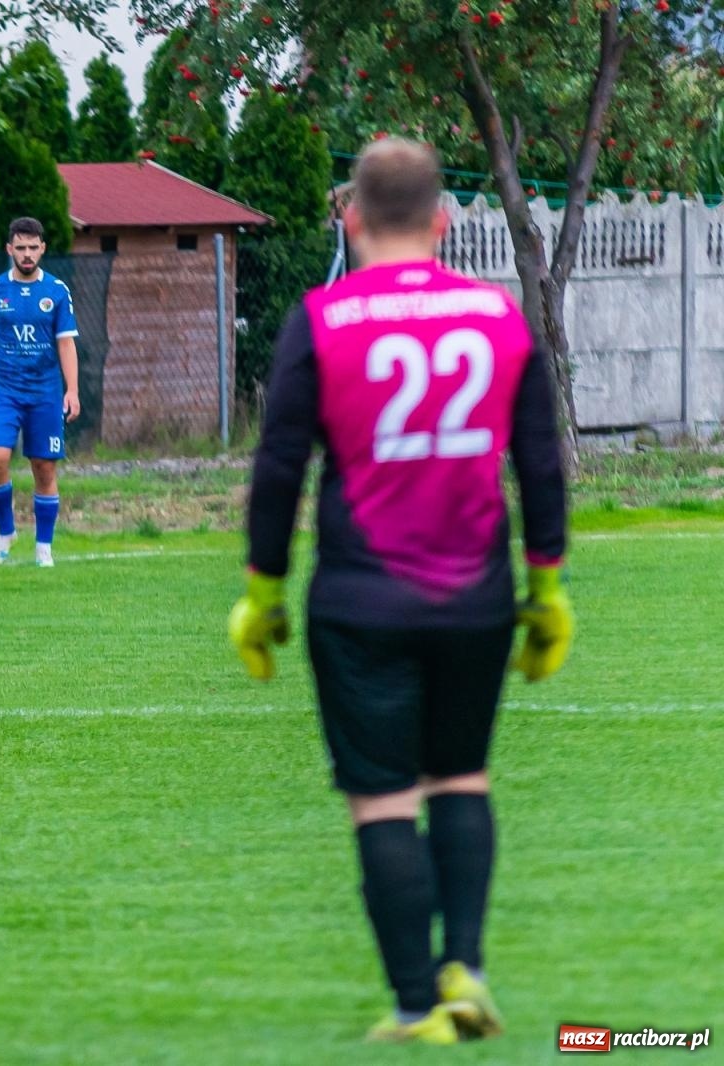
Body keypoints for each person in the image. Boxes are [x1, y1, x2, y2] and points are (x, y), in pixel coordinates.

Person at [226, 139, 573, 1045]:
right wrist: (548, 584)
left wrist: (262, 589)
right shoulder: (497, 317)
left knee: (383, 799)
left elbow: (277, 469)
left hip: (361, 601)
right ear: (444, 221)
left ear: (348, 216)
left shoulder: (324, 317)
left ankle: (419, 1004)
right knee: (461, 774)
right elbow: (539, 460)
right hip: (477, 599)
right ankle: (468, 966)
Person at [0, 217, 81, 567]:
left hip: (44, 390)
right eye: (21, 248)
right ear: (9, 249)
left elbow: (66, 344)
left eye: (33, 248)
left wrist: (72, 390)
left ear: (43, 249)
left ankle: (44, 547)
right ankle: (6, 532)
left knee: (44, 467)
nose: (27, 254)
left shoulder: (57, 292)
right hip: (3, 389)